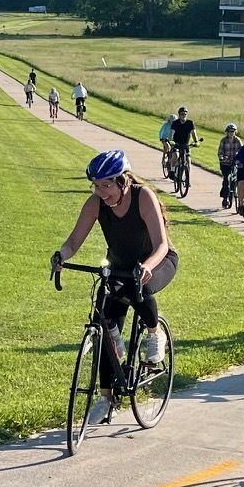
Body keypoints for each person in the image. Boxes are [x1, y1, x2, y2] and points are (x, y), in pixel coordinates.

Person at [51, 149, 175, 390]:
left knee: (139, 287)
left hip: (158, 261)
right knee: (103, 320)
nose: (101, 192)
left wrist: (147, 266)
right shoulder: (95, 203)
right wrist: (61, 255)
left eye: (106, 185)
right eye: (96, 186)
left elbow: (161, 245)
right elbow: (73, 242)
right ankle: (107, 396)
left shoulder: (143, 196)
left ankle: (154, 332)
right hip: (119, 267)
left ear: (123, 180)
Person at [165, 107, 198, 181]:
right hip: (176, 144)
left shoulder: (190, 123)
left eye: (185, 114)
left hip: (186, 144)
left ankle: (187, 178)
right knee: (176, 155)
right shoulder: (175, 123)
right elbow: (171, 133)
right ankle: (172, 170)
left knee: (188, 160)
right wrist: (171, 141)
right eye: (182, 114)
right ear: (179, 115)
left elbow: (193, 133)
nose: (184, 116)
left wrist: (196, 142)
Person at [216, 123, 242, 207]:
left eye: (233, 131)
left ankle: (233, 193)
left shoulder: (238, 140)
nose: (231, 133)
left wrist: (240, 159)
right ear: (227, 132)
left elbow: (242, 151)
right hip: (225, 164)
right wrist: (222, 158)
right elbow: (220, 152)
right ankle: (225, 198)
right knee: (226, 179)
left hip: (234, 163)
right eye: (230, 131)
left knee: (234, 178)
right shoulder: (223, 140)